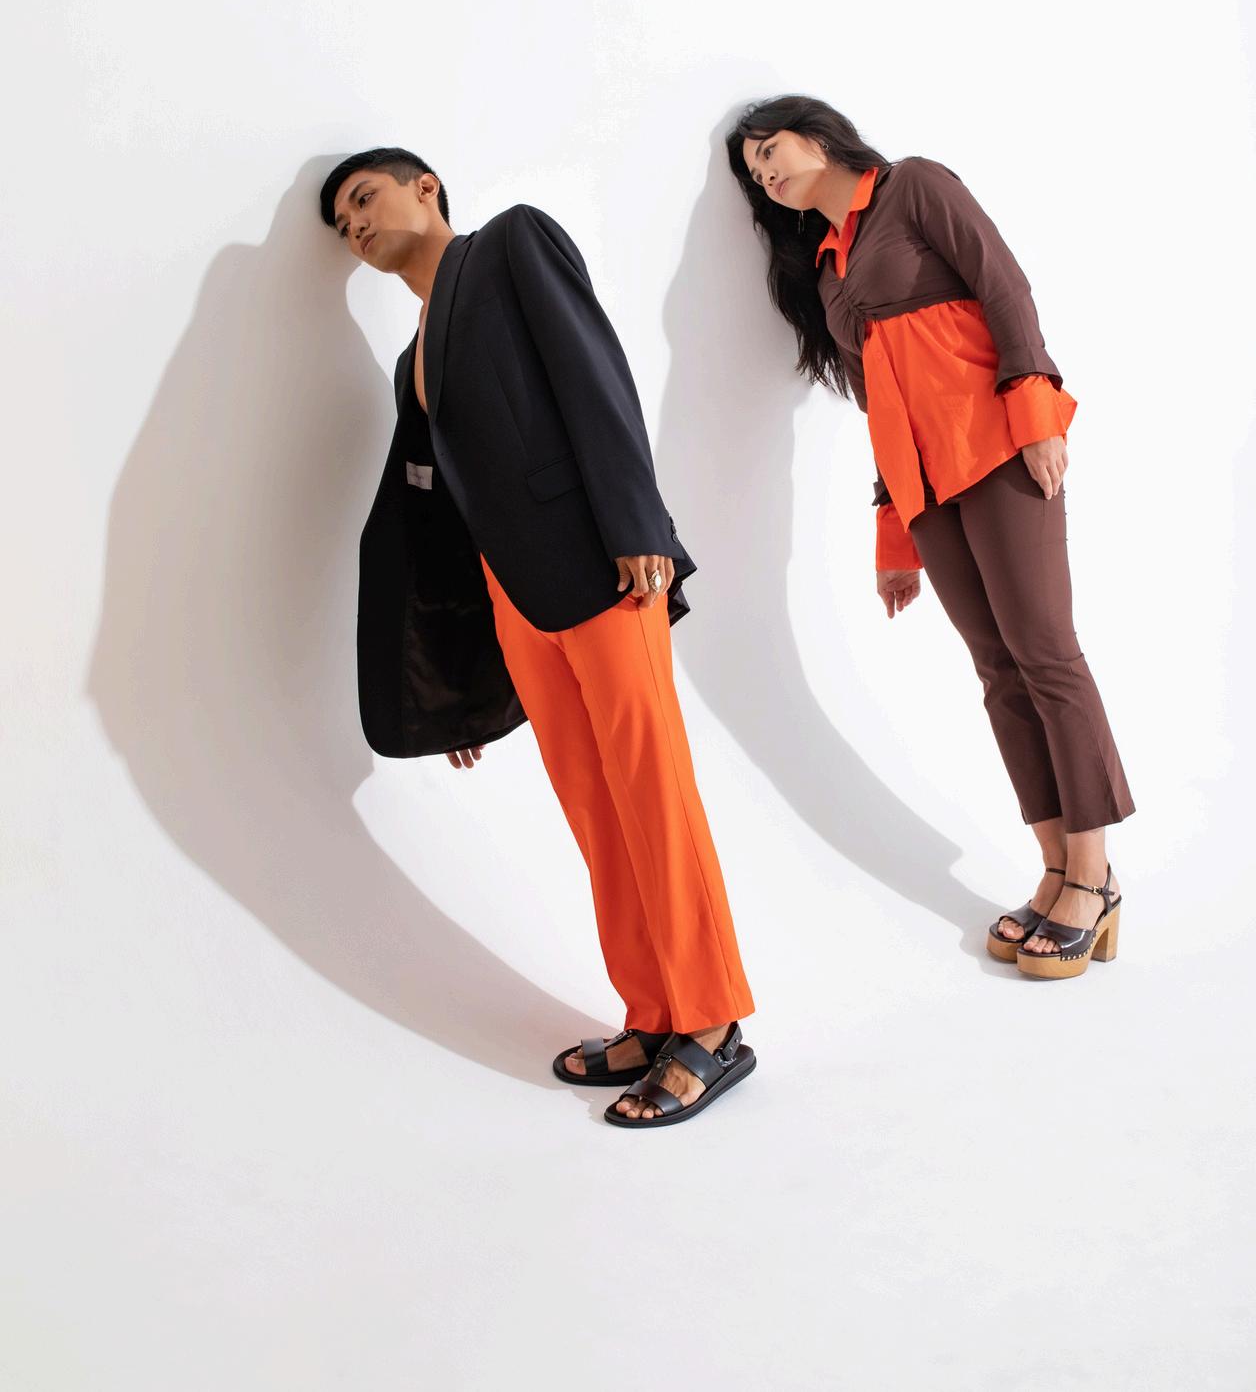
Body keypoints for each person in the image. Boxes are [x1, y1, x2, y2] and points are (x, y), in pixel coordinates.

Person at [320, 148, 755, 1120]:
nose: (354, 223)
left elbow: (592, 370)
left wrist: (639, 524)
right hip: (515, 606)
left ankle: (713, 1021)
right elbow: (445, 518)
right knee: (595, 809)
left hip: (601, 567)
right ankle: (653, 1012)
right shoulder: (410, 358)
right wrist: (459, 682)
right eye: (342, 222)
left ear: (424, 187)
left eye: (362, 197)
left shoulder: (511, 244)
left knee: (652, 791)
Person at [727, 97, 1134, 979]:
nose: (765, 172)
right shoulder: (827, 272)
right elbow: (880, 403)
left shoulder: (912, 187)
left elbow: (1003, 284)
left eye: (770, 149)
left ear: (818, 134)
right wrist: (894, 533)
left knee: (1045, 652)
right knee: (997, 669)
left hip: (998, 445)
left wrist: (1034, 406)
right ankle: (1055, 866)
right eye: (754, 172)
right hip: (927, 491)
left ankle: (1095, 879)